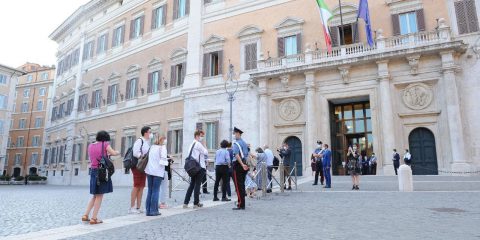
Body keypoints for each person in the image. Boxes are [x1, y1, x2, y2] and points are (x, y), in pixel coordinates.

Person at [82, 130, 119, 224]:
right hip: (102, 172)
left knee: (95, 195)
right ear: (105, 138)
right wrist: (117, 152)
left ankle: (85, 215)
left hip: (93, 171)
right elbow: (114, 153)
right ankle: (94, 218)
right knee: (99, 195)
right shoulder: (105, 144)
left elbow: (96, 155)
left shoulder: (90, 145)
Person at [144, 135, 168, 216]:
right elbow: (163, 161)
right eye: (165, 139)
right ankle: (154, 210)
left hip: (149, 171)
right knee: (156, 190)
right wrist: (168, 160)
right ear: (162, 140)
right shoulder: (162, 148)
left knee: (150, 190)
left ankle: (148, 210)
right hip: (157, 172)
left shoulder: (152, 147)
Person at [183, 130, 208, 209]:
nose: (202, 138)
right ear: (197, 136)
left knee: (192, 185)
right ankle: (196, 203)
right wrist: (205, 145)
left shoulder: (191, 144)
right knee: (197, 185)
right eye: (201, 136)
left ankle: (185, 203)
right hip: (199, 167)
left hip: (193, 167)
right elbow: (206, 152)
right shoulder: (198, 144)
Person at [129, 126, 151, 214]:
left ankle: (138, 207)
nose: (150, 133)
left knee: (141, 186)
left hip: (143, 167)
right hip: (138, 166)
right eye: (150, 132)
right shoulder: (140, 141)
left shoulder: (147, 142)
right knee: (136, 186)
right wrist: (143, 156)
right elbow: (135, 153)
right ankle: (131, 207)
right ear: (145, 133)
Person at [232, 127, 249, 210]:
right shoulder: (244, 143)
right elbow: (247, 154)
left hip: (238, 165)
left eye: (234, 133)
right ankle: (242, 203)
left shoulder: (236, 144)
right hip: (244, 164)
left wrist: (242, 164)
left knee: (238, 186)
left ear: (238, 133)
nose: (234, 135)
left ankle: (241, 204)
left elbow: (236, 155)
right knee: (242, 184)